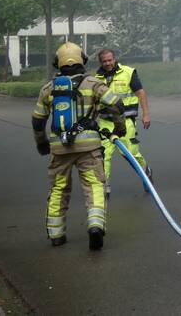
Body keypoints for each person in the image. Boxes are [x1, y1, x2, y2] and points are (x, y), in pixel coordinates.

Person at [31, 42, 124, 250]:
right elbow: (116, 104)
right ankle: (95, 226)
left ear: (58, 63)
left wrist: (42, 145)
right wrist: (119, 129)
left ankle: (56, 235)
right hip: (89, 148)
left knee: (58, 189)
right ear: (82, 60)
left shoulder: (48, 89)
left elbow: (37, 121)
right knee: (94, 186)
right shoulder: (93, 83)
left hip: (59, 149)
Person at [94, 48, 151, 194]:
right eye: (104, 61)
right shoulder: (95, 78)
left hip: (126, 120)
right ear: (100, 62)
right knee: (103, 154)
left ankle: (145, 172)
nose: (107, 63)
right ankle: (104, 186)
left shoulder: (128, 72)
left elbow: (140, 93)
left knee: (130, 153)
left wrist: (146, 114)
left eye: (110, 60)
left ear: (115, 58)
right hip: (106, 122)